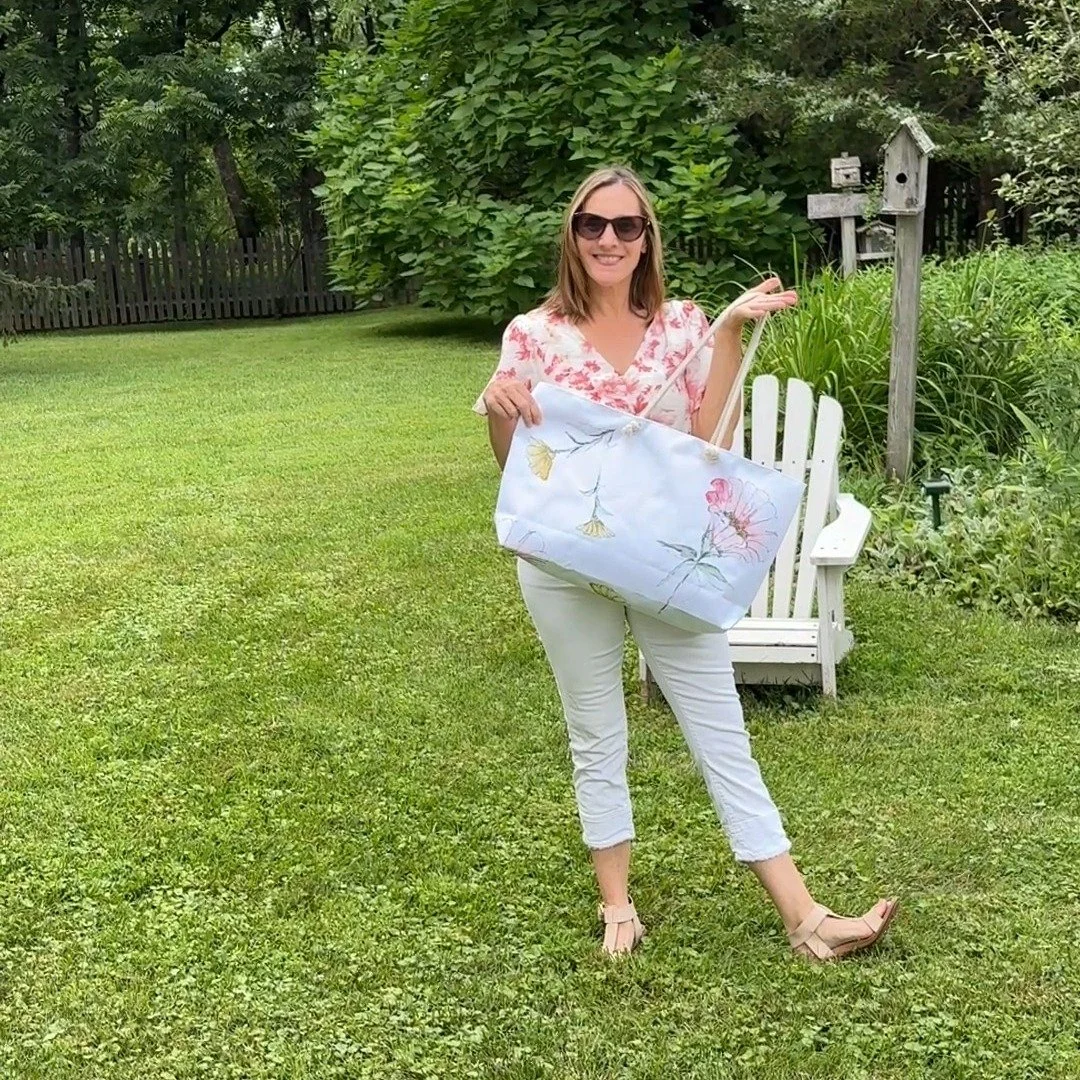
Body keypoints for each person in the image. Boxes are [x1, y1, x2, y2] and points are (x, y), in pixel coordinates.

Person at [474, 164, 898, 961]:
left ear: (647, 239)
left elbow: (712, 446)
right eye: (592, 224)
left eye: (625, 226)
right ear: (573, 235)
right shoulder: (532, 335)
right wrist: (501, 412)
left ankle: (805, 918)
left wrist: (728, 331)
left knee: (720, 730)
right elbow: (518, 469)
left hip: (669, 562)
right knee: (595, 730)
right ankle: (617, 907)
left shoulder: (683, 326)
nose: (608, 239)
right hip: (564, 564)